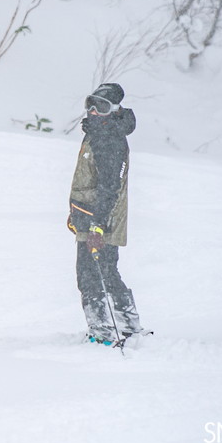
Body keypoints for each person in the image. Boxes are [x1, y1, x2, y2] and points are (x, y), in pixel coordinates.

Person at [67, 83, 141, 345]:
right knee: (106, 272)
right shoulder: (98, 133)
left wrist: (98, 226)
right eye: (91, 104)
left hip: (102, 220)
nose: (94, 112)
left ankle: (103, 332)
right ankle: (128, 326)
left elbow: (110, 187)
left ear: (114, 111)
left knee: (91, 275)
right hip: (90, 216)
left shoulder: (109, 139)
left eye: (102, 107)